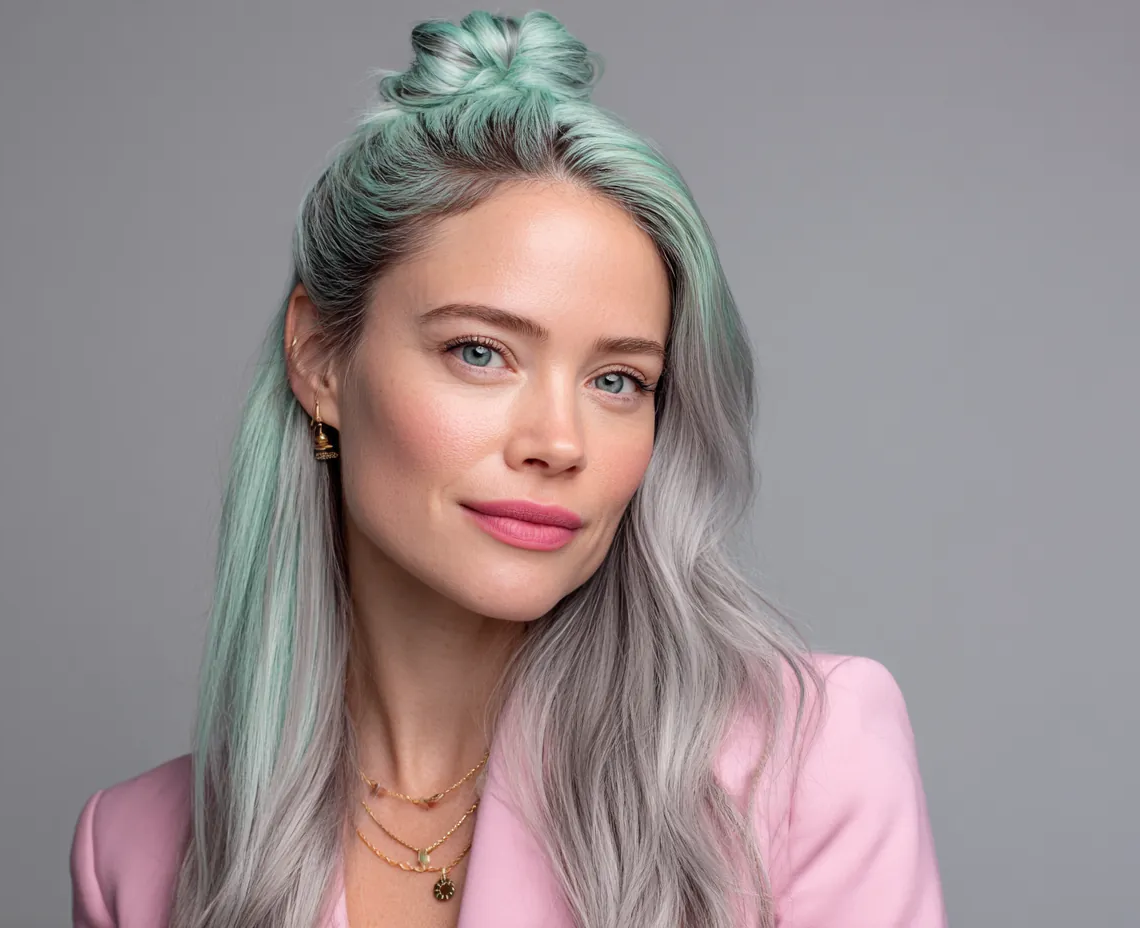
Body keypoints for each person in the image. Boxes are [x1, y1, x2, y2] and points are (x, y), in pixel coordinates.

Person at [69, 10, 946, 928]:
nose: (558, 442)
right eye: (481, 352)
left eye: (618, 379)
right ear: (321, 358)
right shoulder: (138, 852)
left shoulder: (802, 763)